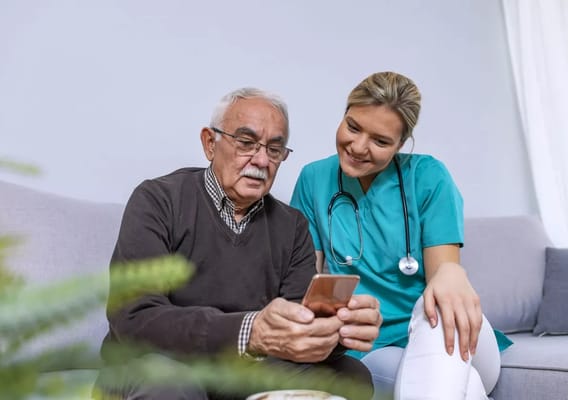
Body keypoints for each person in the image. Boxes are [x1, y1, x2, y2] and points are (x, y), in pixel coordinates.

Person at [94, 87, 382, 400]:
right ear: (209, 142)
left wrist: (338, 330)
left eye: (275, 149)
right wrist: (249, 332)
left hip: (239, 375)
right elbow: (135, 318)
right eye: (246, 143)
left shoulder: (292, 226)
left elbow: (295, 330)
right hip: (154, 367)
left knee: (350, 376)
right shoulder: (158, 200)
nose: (261, 160)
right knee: (171, 382)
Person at [290, 71, 512, 399]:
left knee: (432, 306)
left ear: (401, 145)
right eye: (353, 127)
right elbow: (310, 286)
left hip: (455, 337)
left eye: (380, 141)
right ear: (344, 115)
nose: (358, 147)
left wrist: (452, 273)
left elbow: (444, 280)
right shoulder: (313, 179)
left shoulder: (427, 177)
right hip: (372, 348)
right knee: (465, 388)